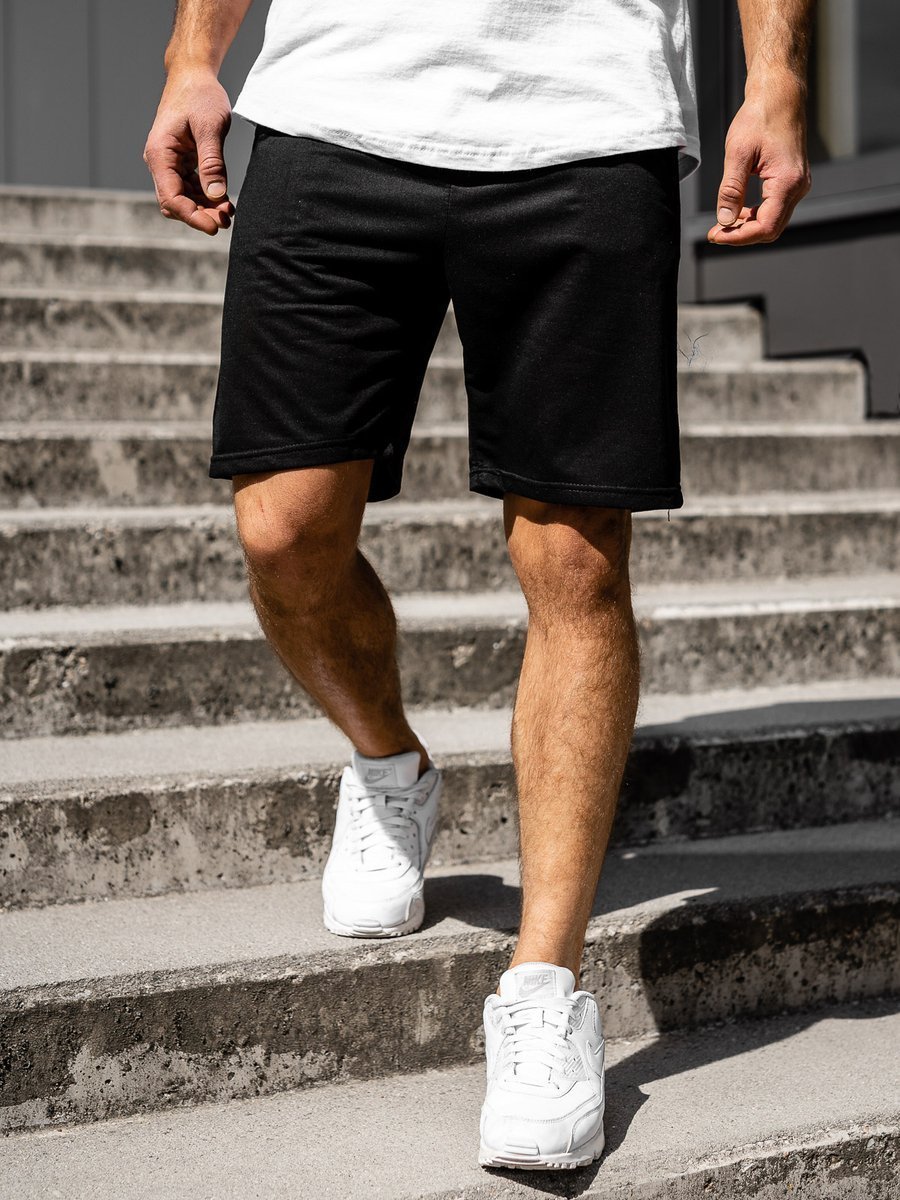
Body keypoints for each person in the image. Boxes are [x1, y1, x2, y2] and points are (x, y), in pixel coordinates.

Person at [144, 0, 812, 1171]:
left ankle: (545, 984)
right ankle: (388, 765)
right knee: (283, 530)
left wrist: (777, 77)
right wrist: (194, 52)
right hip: (333, 104)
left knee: (575, 555)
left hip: (589, 114)